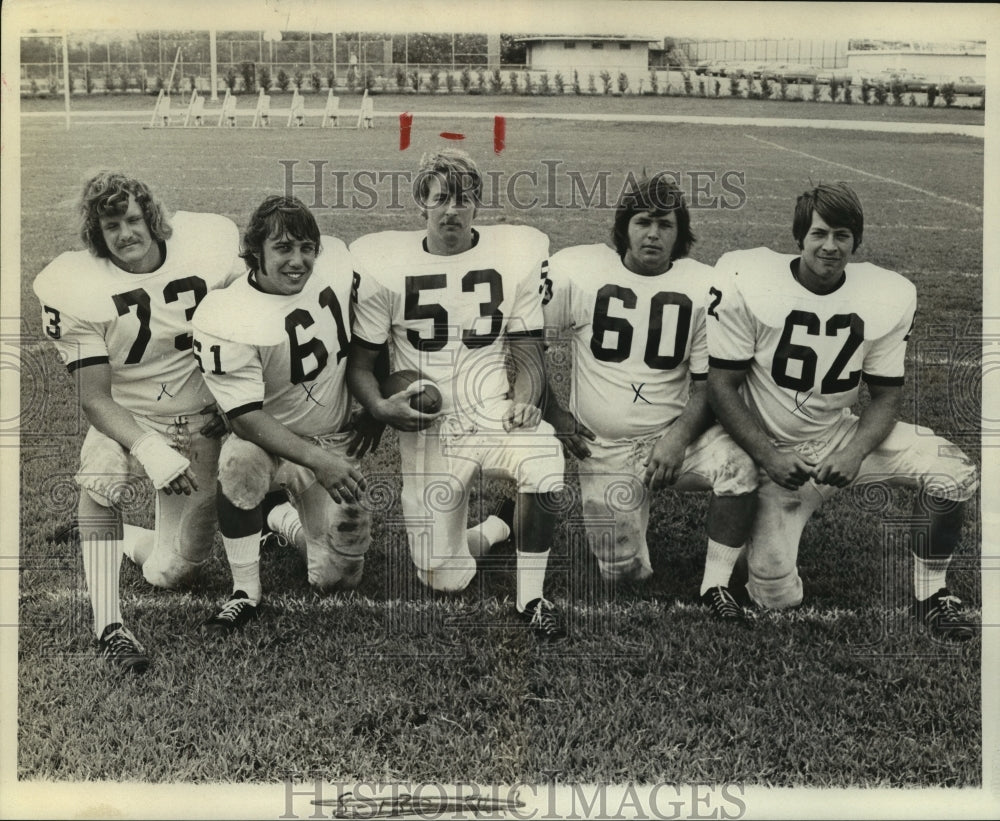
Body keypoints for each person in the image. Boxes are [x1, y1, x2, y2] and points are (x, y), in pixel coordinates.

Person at [706, 181, 979, 639]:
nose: (830, 246)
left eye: (843, 236)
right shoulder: (747, 278)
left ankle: (933, 593)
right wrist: (769, 456)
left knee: (956, 470)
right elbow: (721, 386)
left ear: (856, 240)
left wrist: (853, 452)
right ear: (799, 236)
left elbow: (887, 396)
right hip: (776, 457)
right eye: (819, 234)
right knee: (776, 596)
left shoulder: (887, 294)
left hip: (839, 435)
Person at [346, 148, 567, 638]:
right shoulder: (382, 262)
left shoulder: (516, 252)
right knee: (441, 575)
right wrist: (380, 407)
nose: (451, 209)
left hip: (493, 411)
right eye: (440, 197)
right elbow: (361, 365)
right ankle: (499, 527)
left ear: (477, 204)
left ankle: (531, 597)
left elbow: (528, 351)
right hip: (428, 423)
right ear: (420, 202)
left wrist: (528, 397)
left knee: (546, 460)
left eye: (462, 198)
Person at [32, 171, 242, 672]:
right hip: (127, 415)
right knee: (103, 468)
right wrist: (148, 448)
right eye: (111, 225)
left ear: (151, 217)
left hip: (197, 422)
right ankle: (110, 626)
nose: (126, 233)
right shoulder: (78, 286)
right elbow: (95, 400)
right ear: (96, 233)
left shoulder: (205, 254)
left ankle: (121, 537)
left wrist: (228, 400)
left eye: (132, 219)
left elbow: (250, 321)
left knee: (174, 571)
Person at [542, 174, 757, 621]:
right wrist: (556, 412)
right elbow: (526, 343)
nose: (653, 234)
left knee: (739, 464)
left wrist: (677, 438)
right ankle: (507, 520)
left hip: (675, 438)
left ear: (681, 234)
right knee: (623, 576)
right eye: (643, 222)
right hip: (602, 447)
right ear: (624, 228)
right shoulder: (580, 272)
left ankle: (715, 583)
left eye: (666, 224)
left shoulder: (702, 287)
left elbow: (708, 385)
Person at [191, 195, 374, 632]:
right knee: (238, 463)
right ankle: (245, 590)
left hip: (331, 436)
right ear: (257, 251)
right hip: (268, 442)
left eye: (306, 248)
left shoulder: (337, 267)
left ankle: (276, 516)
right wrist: (319, 462)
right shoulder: (228, 312)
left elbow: (374, 335)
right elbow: (245, 419)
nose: (298, 261)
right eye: (283, 248)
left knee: (337, 579)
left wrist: (376, 405)